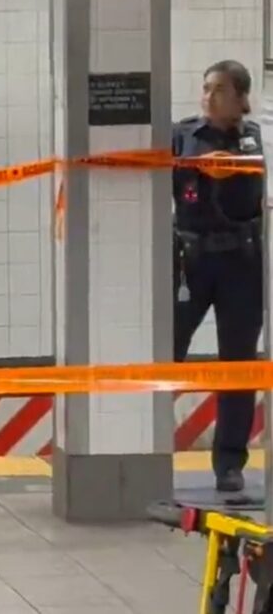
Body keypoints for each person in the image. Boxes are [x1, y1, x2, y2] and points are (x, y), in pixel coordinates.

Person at [172, 59, 264, 494]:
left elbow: (248, 181)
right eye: (206, 88)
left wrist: (224, 167)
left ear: (241, 99)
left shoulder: (251, 139)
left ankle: (230, 462)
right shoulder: (182, 136)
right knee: (166, 350)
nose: (208, 97)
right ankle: (145, 446)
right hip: (192, 262)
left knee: (237, 365)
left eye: (219, 90)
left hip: (240, 267)